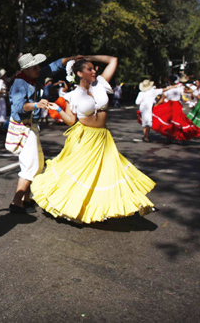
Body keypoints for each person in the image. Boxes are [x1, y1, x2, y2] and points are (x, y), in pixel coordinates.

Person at [31, 56, 156, 224]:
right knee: (82, 175)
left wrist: (90, 57)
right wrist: (58, 109)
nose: (94, 70)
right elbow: (70, 120)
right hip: (85, 137)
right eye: (89, 68)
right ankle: (73, 209)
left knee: (105, 174)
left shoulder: (100, 84)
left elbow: (113, 60)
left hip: (103, 136)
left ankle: (103, 208)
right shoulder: (72, 95)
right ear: (80, 73)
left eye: (94, 68)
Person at [7, 53, 80, 214]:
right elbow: (19, 107)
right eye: (35, 67)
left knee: (36, 162)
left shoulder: (34, 77)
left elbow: (53, 66)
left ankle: (26, 199)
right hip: (23, 126)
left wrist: (70, 58)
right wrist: (36, 105)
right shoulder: (20, 83)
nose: (39, 69)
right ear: (26, 70)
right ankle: (16, 203)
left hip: (31, 125)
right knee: (31, 164)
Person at [150, 76, 200, 142]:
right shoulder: (179, 88)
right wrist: (186, 86)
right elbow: (190, 91)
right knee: (179, 121)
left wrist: (155, 106)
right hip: (177, 105)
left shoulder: (168, 89)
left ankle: (170, 137)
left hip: (169, 105)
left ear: (169, 81)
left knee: (169, 121)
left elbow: (161, 100)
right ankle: (178, 136)